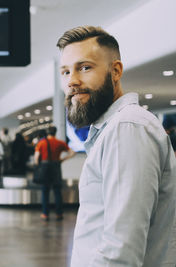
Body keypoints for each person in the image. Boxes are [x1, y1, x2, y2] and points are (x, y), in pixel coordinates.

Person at [57, 25, 176, 266]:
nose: (72, 81)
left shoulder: (128, 128)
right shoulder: (113, 129)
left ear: (116, 71)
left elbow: (121, 250)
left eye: (85, 67)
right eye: (66, 72)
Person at [34, 127, 75, 221]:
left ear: (47, 133)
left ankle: (45, 214)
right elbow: (72, 153)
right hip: (56, 166)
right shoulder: (60, 143)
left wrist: (38, 166)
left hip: (45, 168)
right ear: (55, 132)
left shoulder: (41, 143)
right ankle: (59, 214)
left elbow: (36, 158)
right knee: (57, 191)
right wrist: (62, 160)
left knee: (45, 191)